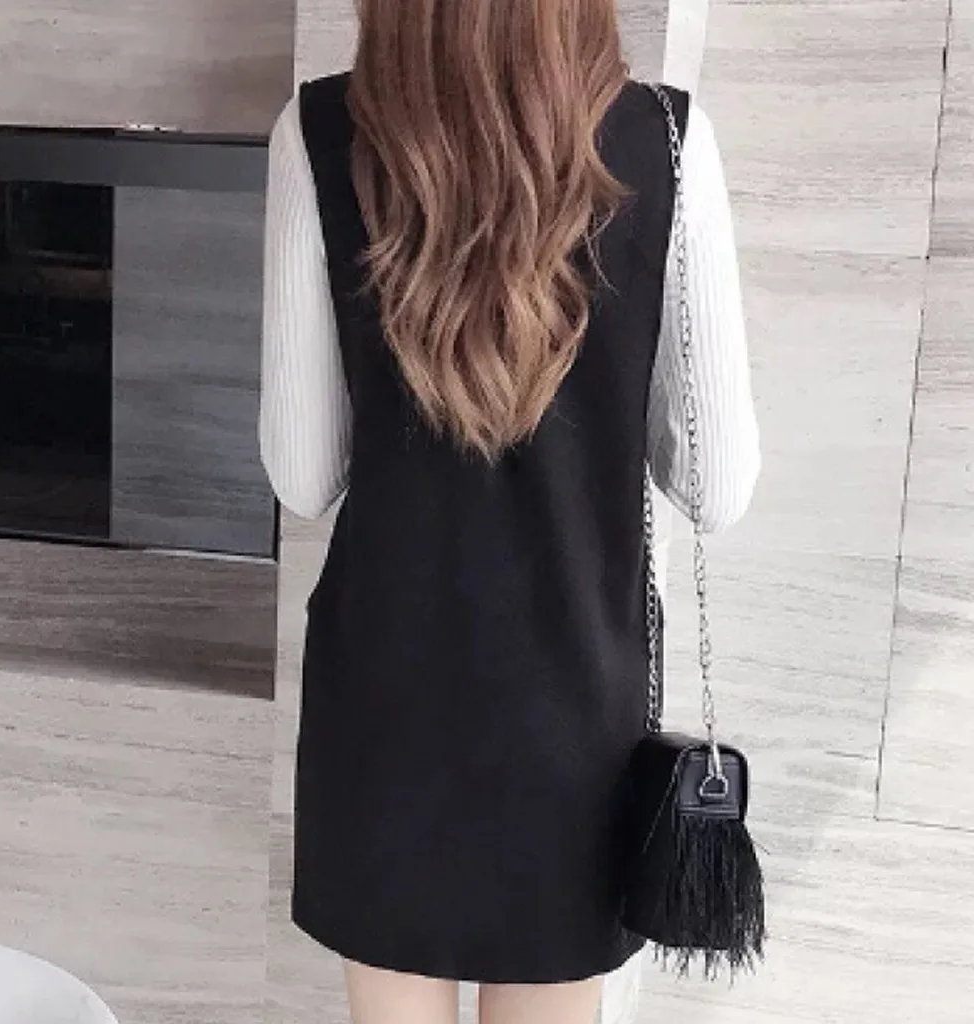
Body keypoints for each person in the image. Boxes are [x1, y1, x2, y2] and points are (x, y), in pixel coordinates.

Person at [259, 2, 761, 1022]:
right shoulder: (664, 140)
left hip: (385, 701)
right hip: (576, 708)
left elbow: (304, 476)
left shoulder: (317, 133)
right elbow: (717, 486)